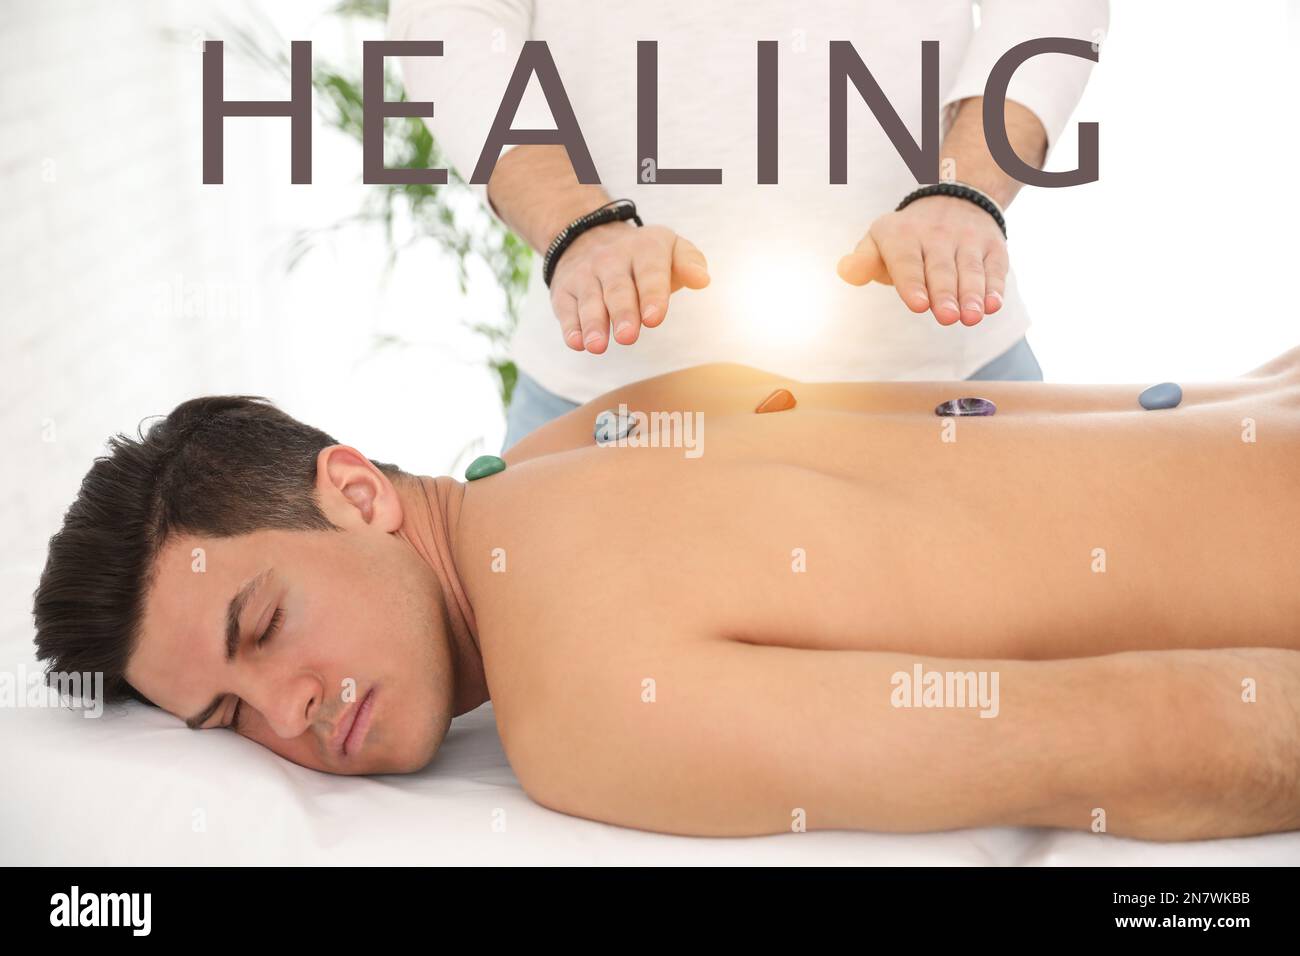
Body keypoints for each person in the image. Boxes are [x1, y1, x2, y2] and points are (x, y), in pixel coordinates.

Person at [31, 346, 1300, 841]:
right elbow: (1022, 414)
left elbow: (1144, 739)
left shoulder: (577, 701)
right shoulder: (596, 433)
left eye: (262, 627)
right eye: (227, 715)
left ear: (356, 491)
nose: (289, 710)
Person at [388, 0, 1109, 449]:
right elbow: (449, 19)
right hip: (609, 398)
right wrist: (581, 224)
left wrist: (964, 191)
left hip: (942, 370)